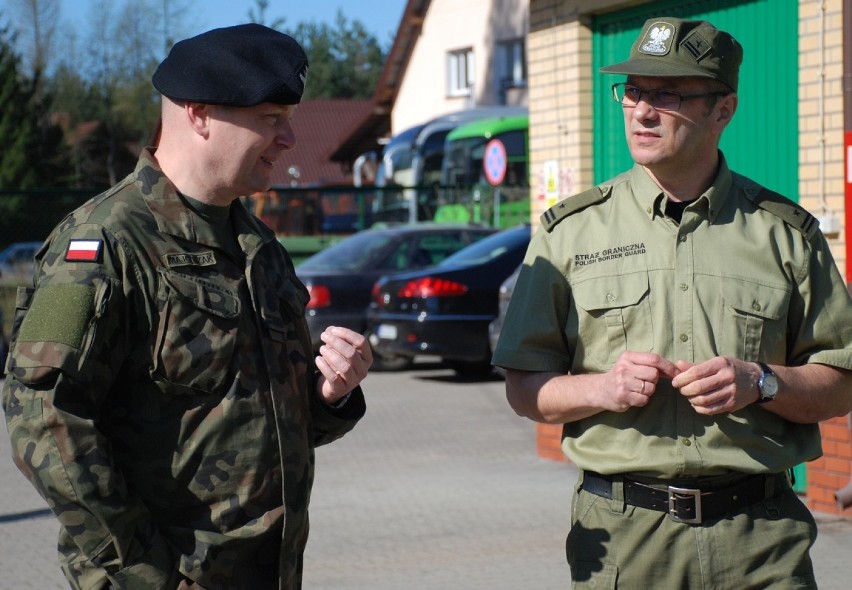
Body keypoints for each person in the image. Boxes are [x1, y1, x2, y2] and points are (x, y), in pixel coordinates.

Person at [1, 24, 371, 590]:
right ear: (199, 114)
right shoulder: (104, 243)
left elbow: (265, 420)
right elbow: (44, 420)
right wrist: (148, 573)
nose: (289, 140)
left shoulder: (259, 249)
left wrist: (329, 397)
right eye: (271, 119)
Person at [493, 16, 852, 589]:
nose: (641, 111)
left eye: (667, 94)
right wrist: (601, 389)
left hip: (760, 540)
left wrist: (762, 382)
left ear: (723, 111)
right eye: (633, 91)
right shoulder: (569, 232)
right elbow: (524, 388)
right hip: (624, 540)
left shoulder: (786, 234)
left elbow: (840, 380)